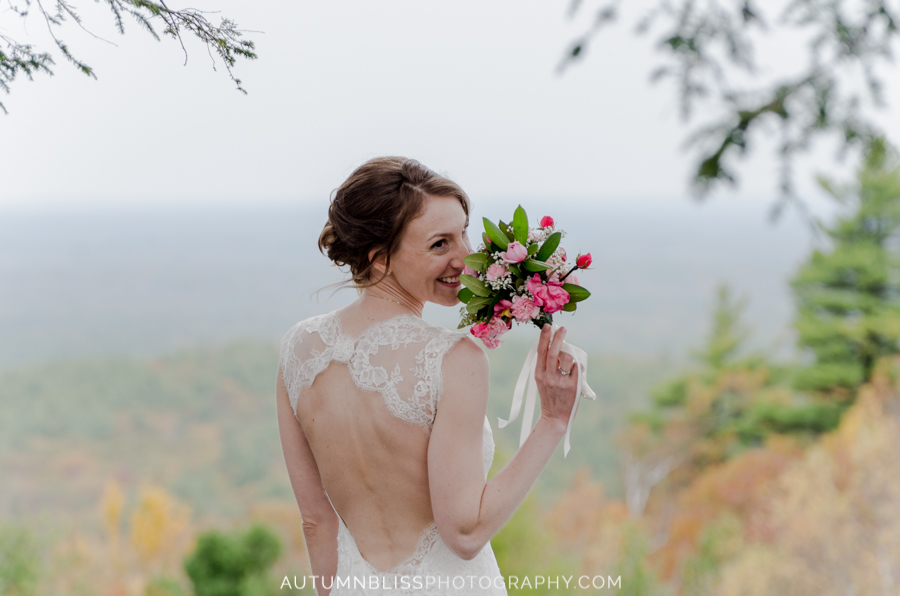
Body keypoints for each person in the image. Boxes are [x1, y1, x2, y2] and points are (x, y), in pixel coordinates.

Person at [276, 157, 580, 596]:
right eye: (440, 244)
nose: (467, 257)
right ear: (379, 259)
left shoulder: (296, 348)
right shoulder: (453, 357)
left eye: (464, 233)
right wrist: (552, 421)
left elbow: (314, 522)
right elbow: (465, 534)